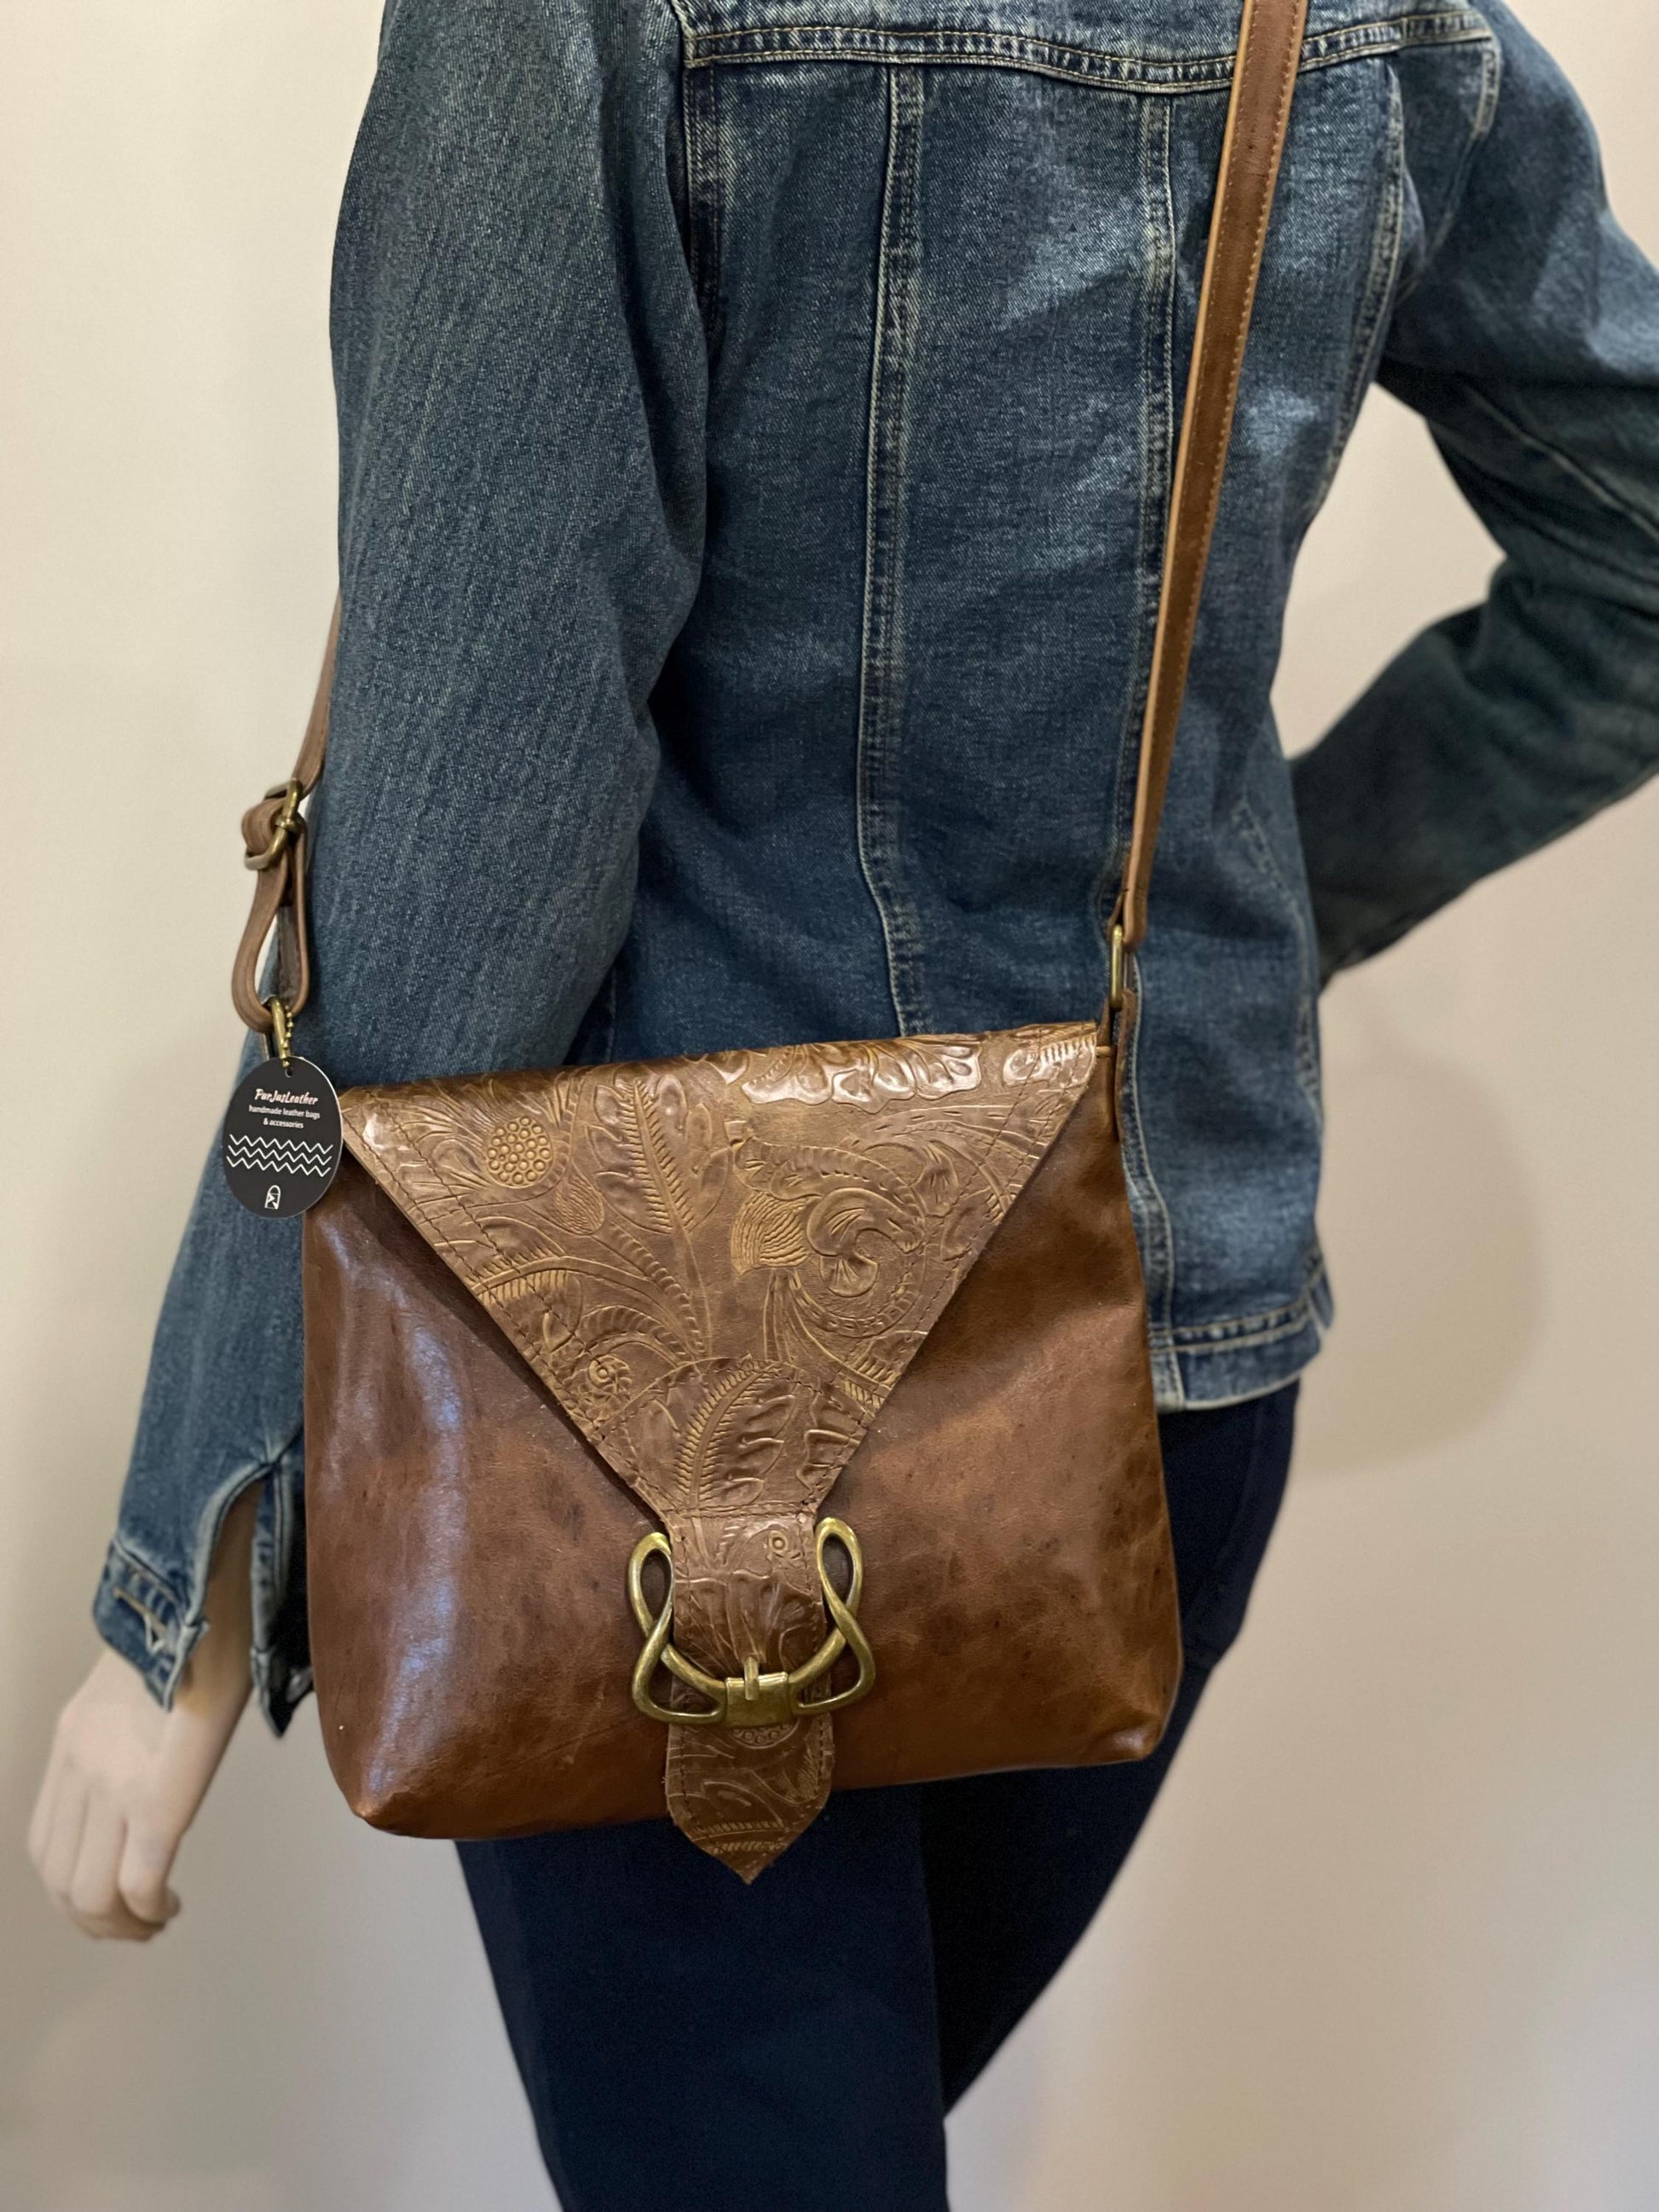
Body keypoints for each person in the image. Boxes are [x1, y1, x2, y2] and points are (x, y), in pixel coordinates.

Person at [30, 2, 1659, 2206]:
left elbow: (475, 791)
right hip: (1154, 1367)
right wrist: (1259, 902)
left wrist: (199, 1548)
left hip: (660, 1401)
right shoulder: (1366, 25)